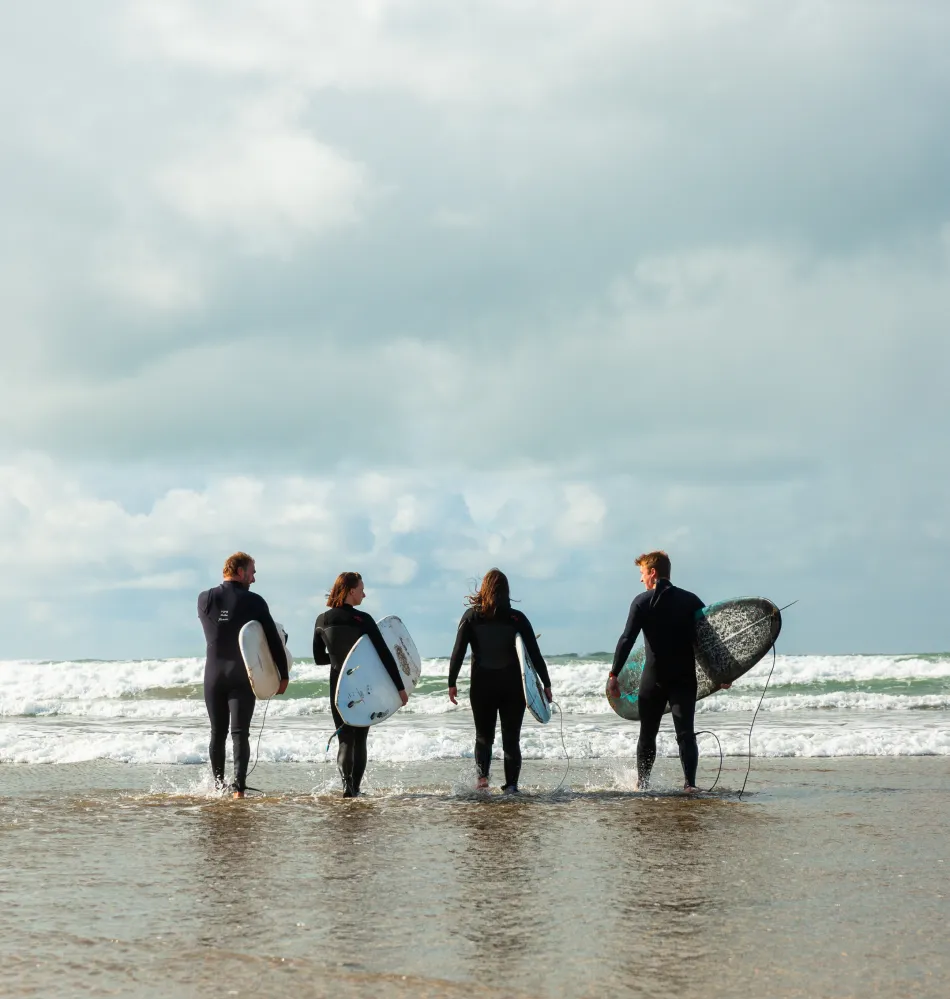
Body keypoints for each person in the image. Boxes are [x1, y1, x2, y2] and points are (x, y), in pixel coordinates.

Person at [606, 550, 721, 793]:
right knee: (686, 733)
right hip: (683, 680)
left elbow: (627, 639)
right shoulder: (691, 601)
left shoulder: (641, 602)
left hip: (653, 680)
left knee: (647, 734)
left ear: (653, 572)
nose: (641, 579)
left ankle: (643, 784)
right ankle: (690, 785)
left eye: (642, 573)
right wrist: (718, 673)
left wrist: (614, 674)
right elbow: (708, 642)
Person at [448, 569, 552, 793]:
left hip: (482, 685)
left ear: (484, 589)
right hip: (512, 687)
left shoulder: (471, 617)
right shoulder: (517, 618)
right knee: (511, 739)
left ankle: (482, 781)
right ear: (507, 591)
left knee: (483, 736)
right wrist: (546, 684)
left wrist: (452, 682)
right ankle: (512, 786)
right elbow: (534, 653)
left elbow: (458, 651)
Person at [198, 552, 289, 798]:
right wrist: (283, 675)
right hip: (242, 677)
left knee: (217, 734)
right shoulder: (255, 601)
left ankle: (217, 787)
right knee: (240, 734)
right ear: (240, 571)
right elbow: (271, 639)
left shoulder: (204, 598)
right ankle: (239, 790)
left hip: (213, 676)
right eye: (252, 572)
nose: (254, 578)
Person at [313, 572, 408, 797]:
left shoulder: (322, 620)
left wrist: (339, 659)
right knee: (360, 738)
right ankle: (355, 789)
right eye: (362, 589)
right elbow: (384, 655)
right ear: (350, 591)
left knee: (345, 739)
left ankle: (347, 788)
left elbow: (318, 658)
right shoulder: (363, 620)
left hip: (338, 686)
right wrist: (400, 688)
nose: (364, 594)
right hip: (363, 686)